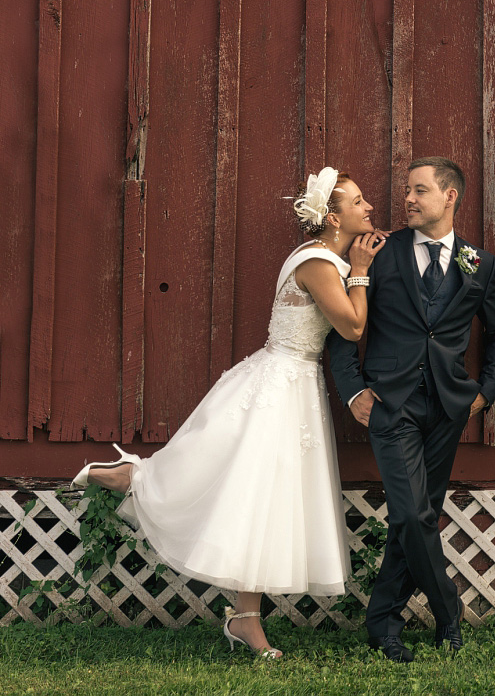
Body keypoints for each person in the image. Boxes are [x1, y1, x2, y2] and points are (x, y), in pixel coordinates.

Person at [71, 167, 386, 659]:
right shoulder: (321, 262)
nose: (369, 208)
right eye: (359, 201)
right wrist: (362, 270)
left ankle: (244, 620)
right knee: (250, 492)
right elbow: (351, 327)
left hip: (291, 382)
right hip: (281, 387)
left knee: (262, 503)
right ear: (332, 216)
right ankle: (133, 476)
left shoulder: (322, 257)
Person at [327, 156, 495, 663]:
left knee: (417, 519)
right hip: (391, 404)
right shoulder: (378, 253)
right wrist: (352, 390)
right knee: (413, 514)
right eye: (407, 190)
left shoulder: (478, 262)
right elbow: (344, 331)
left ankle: (383, 625)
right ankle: (448, 614)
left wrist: (487, 390)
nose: (407, 199)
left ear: (449, 196)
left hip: (449, 407)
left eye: (419, 190)